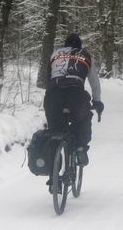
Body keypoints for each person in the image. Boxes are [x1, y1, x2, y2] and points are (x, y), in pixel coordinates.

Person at [43, 32, 104, 166]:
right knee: (83, 119)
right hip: (76, 95)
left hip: (53, 96)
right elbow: (94, 82)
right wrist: (97, 101)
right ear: (80, 45)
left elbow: (47, 78)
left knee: (55, 131)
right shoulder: (86, 56)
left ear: (65, 44)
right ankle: (81, 148)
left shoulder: (55, 54)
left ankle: (53, 174)